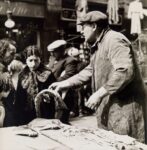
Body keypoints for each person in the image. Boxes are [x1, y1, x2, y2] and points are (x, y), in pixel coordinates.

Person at [49, 11, 146, 143]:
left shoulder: (114, 40)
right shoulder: (99, 44)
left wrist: (99, 94)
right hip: (111, 107)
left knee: (127, 144)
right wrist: (65, 83)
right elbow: (90, 70)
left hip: (125, 108)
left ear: (94, 26)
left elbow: (125, 71)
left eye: (83, 27)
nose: (81, 31)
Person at [15, 45, 56, 125]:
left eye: (36, 60)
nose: (33, 64)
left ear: (40, 59)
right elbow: (19, 96)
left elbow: (54, 92)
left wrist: (48, 96)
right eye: (30, 60)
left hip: (45, 111)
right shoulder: (22, 75)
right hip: (27, 112)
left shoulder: (48, 73)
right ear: (26, 60)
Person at [47, 40, 77, 123]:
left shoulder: (70, 60)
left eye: (54, 52)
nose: (52, 54)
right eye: (51, 52)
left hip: (64, 96)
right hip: (53, 94)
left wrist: (51, 83)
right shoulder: (52, 59)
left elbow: (68, 75)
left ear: (62, 50)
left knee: (62, 121)